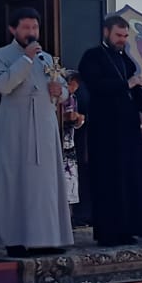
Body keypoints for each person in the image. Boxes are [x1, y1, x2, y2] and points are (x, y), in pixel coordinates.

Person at [0, 7, 74, 257]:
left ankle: (48, 238)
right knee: (14, 182)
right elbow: (3, 84)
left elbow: (64, 90)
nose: (32, 33)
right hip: (15, 128)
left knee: (46, 185)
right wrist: (26, 59)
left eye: (35, 28)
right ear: (13, 29)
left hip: (45, 127)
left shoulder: (48, 59)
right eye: (26, 28)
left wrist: (59, 92)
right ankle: (16, 239)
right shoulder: (0, 55)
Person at [77, 15, 142, 247]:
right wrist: (126, 84)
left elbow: (139, 95)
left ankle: (127, 229)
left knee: (129, 178)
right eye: (118, 35)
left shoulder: (129, 61)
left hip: (129, 130)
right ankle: (108, 232)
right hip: (105, 131)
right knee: (108, 181)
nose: (122, 40)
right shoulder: (92, 57)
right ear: (106, 32)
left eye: (125, 36)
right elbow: (96, 85)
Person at [59, 70, 85, 212]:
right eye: (70, 84)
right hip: (58, 142)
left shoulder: (73, 98)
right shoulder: (60, 97)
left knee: (71, 182)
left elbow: (76, 119)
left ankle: (70, 216)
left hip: (70, 144)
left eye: (75, 85)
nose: (72, 88)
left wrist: (78, 119)